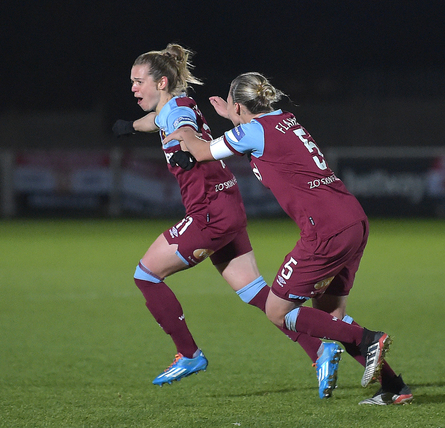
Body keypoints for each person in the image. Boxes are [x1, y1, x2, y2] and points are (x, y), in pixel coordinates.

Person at [164, 72, 413, 405]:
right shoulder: (284, 119)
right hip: (352, 219)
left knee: (277, 311)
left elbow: (203, 150)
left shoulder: (253, 131)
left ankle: (369, 340)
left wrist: (182, 130)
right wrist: (233, 117)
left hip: (324, 229)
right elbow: (257, 139)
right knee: (330, 320)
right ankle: (396, 388)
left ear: (238, 105)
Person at [114, 44, 334, 393]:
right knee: (256, 293)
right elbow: (154, 121)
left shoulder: (177, 114)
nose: (132, 87)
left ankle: (188, 354)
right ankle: (321, 348)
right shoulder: (175, 104)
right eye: (131, 81)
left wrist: (188, 152)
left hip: (208, 214)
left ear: (162, 82)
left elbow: (182, 127)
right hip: (227, 204)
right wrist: (129, 126)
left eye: (138, 81)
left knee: (147, 275)